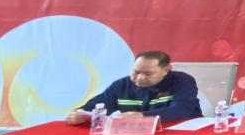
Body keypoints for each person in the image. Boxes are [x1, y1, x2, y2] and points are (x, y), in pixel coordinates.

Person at [65, 50, 201, 124]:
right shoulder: (121, 85)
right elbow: (99, 105)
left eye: (148, 74)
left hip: (180, 131)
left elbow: (181, 109)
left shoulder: (182, 81)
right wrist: (80, 113)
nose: (140, 78)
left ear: (166, 70)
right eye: (136, 72)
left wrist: (141, 116)